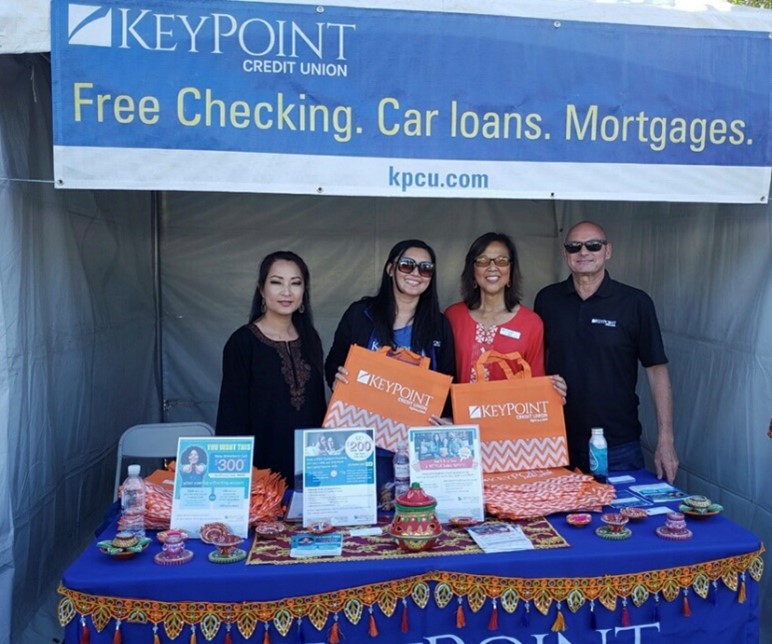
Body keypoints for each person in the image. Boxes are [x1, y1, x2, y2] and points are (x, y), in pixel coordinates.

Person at [534, 221, 678, 483]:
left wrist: (665, 440)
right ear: (565, 253)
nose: (584, 252)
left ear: (607, 251)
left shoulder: (635, 303)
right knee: (560, 524)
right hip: (558, 443)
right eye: (574, 246)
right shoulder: (547, 299)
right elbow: (534, 364)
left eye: (593, 245)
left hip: (618, 444)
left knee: (622, 522)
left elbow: (657, 371)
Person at [216, 251, 327, 484]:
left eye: (295, 284)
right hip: (261, 474)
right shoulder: (243, 342)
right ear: (261, 290)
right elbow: (231, 416)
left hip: (310, 471)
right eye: (276, 282)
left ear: (304, 292)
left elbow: (318, 407)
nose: (287, 292)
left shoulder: (310, 339)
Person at [324, 238, 456, 391]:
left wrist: (446, 415)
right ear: (390, 269)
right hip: (364, 412)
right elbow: (334, 362)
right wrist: (336, 378)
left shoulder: (439, 325)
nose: (415, 273)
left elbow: (448, 380)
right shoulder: (360, 314)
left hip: (415, 414)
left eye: (425, 269)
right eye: (406, 265)